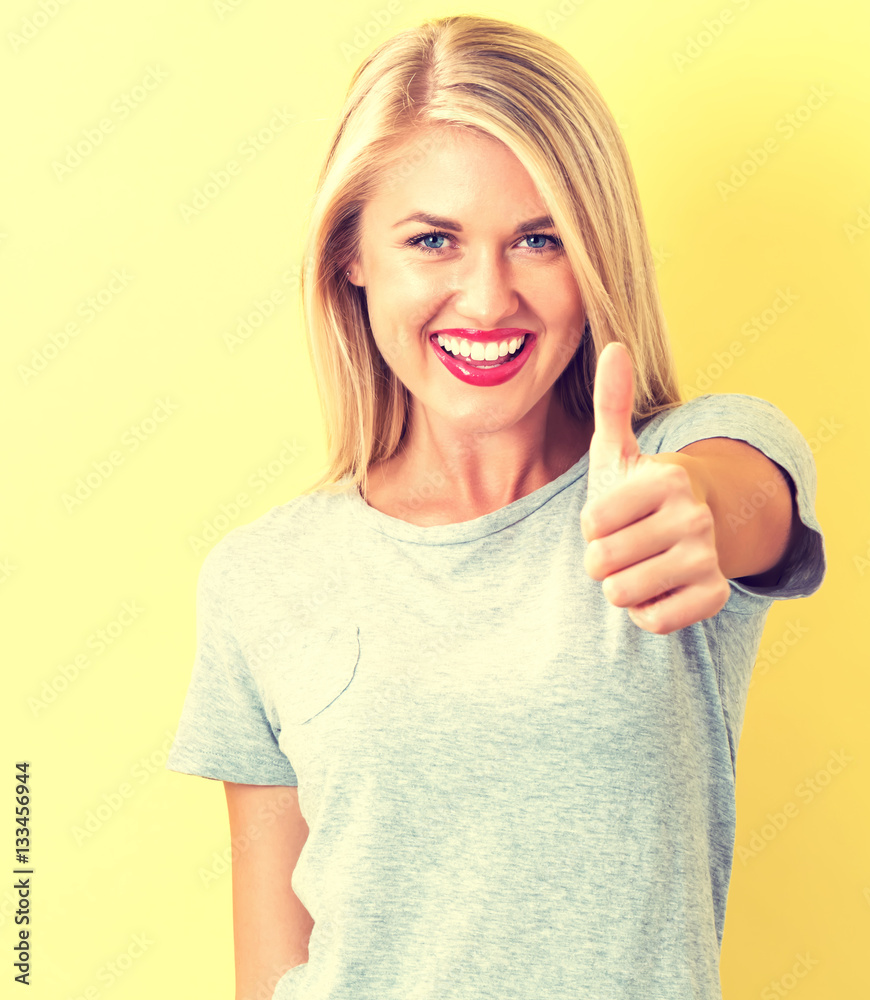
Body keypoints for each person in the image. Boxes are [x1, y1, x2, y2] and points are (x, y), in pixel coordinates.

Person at [166, 13, 826, 1000]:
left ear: (594, 253)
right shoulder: (262, 577)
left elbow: (747, 505)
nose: (486, 299)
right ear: (351, 253)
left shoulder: (683, 467)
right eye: (433, 239)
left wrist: (688, 508)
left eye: (539, 239)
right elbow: (269, 972)